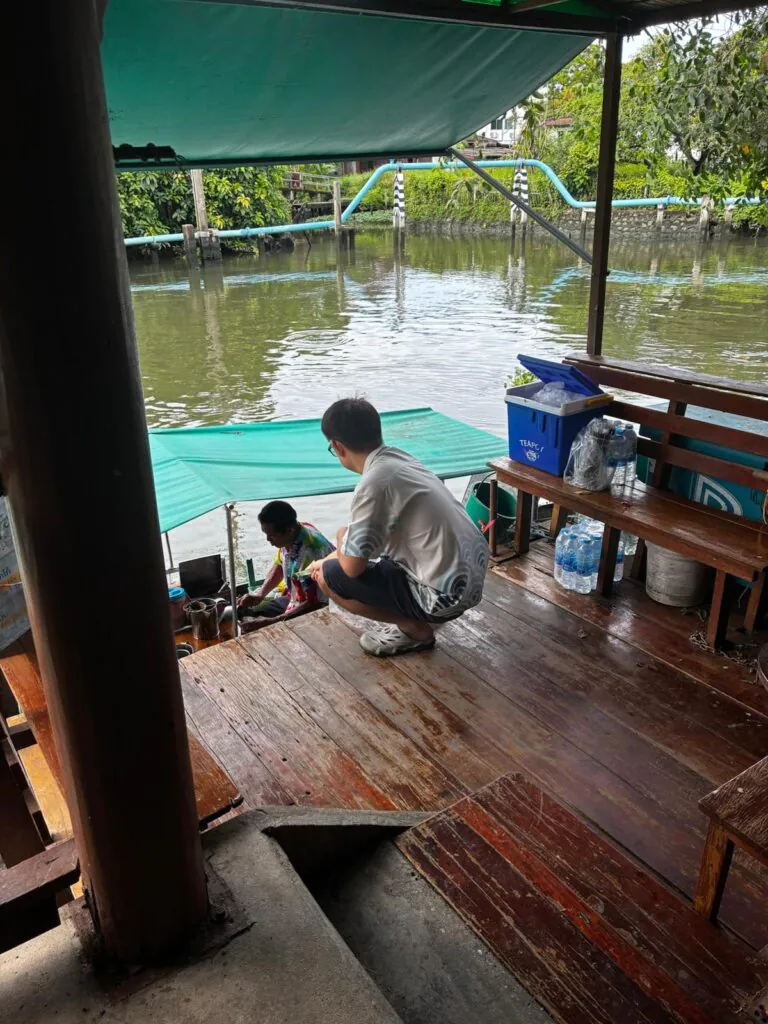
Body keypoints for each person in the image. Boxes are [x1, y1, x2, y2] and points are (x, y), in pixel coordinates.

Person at [309, 398, 488, 657]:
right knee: (341, 559)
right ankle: (417, 617)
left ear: (337, 446)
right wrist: (337, 548)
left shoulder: (373, 484)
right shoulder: (400, 460)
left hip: (446, 595)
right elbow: (367, 546)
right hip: (472, 579)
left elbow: (351, 567)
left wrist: (339, 536)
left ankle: (415, 629)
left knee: (329, 576)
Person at [238, 500, 334, 634]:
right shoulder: (295, 532)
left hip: (321, 606)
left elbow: (314, 603)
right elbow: (279, 564)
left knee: (271, 629)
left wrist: (272, 622)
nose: (267, 539)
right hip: (297, 597)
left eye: (271, 535)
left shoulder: (308, 553)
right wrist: (260, 594)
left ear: (289, 530)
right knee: (264, 611)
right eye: (265, 534)